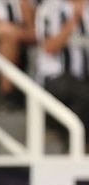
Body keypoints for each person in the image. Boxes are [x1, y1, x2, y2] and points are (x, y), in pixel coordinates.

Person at [35, 0, 89, 147]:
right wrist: (73, 20)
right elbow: (49, 47)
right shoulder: (49, 8)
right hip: (56, 77)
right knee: (84, 95)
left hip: (84, 77)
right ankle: (76, 145)